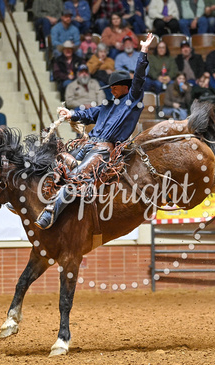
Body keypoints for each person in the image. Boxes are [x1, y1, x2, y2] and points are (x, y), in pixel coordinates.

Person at [34, 33, 154, 230]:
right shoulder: (107, 106)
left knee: (79, 174)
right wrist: (70, 113)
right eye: (111, 88)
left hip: (104, 150)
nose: (111, 90)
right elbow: (89, 114)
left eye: (114, 88)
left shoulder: (132, 100)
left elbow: (139, 77)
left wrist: (143, 51)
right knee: (58, 160)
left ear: (125, 87)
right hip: (88, 144)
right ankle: (36, 194)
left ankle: (50, 213)